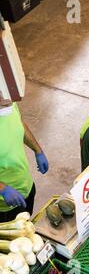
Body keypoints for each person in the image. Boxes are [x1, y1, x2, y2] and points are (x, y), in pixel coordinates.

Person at [0, 92, 49, 222]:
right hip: (5, 206)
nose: (11, 100)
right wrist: (2, 189)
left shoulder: (8, 104)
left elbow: (19, 123)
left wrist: (38, 150)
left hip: (25, 186)